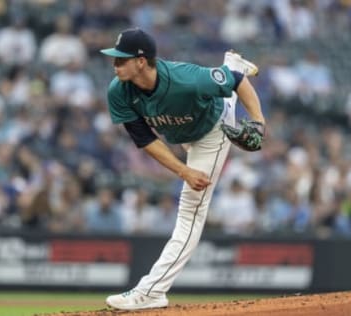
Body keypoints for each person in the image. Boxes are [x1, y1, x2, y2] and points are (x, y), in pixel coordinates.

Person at [100, 27, 265, 310]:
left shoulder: (184, 78)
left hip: (213, 132)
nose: (115, 65)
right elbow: (145, 139)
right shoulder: (118, 91)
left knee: (190, 212)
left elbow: (237, 83)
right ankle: (232, 62)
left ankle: (152, 290)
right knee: (223, 90)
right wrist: (182, 170)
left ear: (141, 61)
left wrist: (259, 122)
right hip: (184, 135)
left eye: (121, 59)